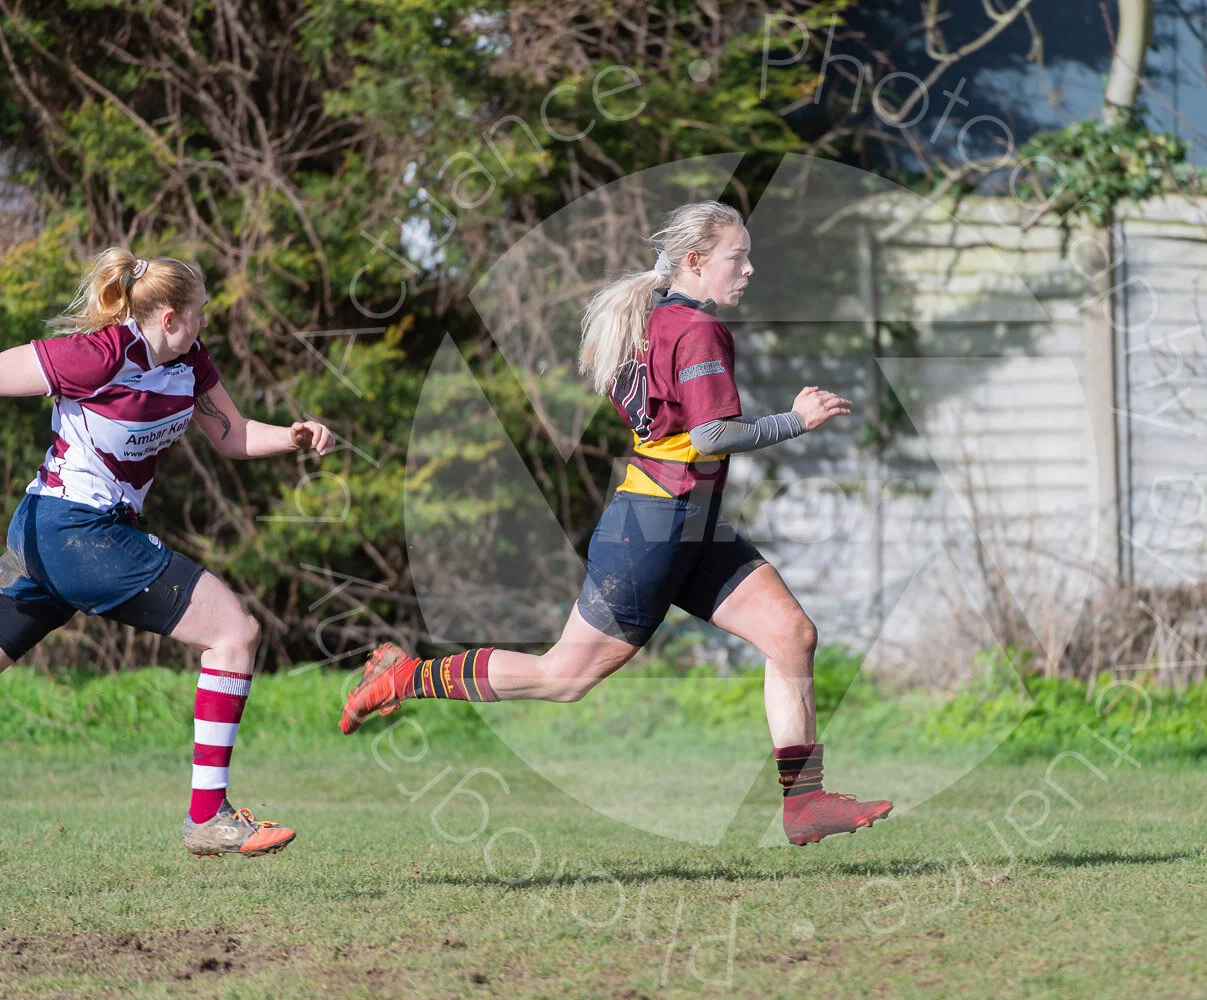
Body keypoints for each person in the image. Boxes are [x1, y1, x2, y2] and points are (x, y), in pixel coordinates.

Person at [341, 201, 893, 846]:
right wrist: (795, 420)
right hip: (654, 531)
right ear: (695, 261)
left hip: (689, 525)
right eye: (736, 258)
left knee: (792, 634)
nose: (749, 269)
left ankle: (804, 802)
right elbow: (712, 436)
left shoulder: (652, 317)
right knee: (563, 678)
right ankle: (405, 677)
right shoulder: (695, 330)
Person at [0, 248, 332, 857]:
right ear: (171, 317)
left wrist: (293, 436)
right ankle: (208, 817)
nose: (207, 324)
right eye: (201, 314)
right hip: (75, 533)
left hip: (57, 534)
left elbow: (231, 434)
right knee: (233, 630)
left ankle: (209, 817)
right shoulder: (99, 353)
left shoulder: (189, 361)